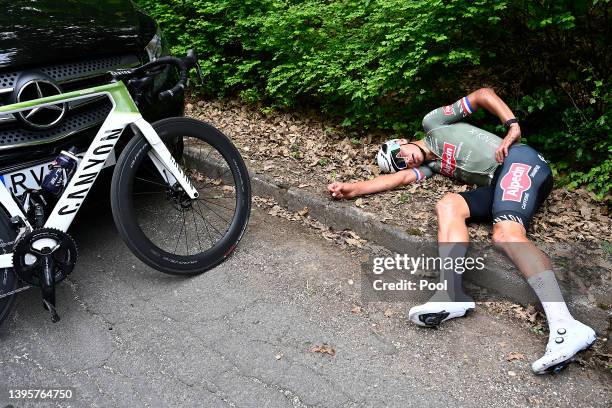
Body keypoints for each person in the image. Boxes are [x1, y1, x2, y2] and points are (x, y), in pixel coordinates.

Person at [327, 88, 596, 374]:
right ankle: (451, 293)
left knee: (506, 235)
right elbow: (400, 179)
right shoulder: (432, 165)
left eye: (400, 155)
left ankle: (565, 324)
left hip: (521, 161)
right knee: (448, 205)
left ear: (402, 142)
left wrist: (512, 125)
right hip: (497, 183)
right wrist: (352, 189)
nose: (406, 162)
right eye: (398, 164)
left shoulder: (433, 125)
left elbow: (482, 95)